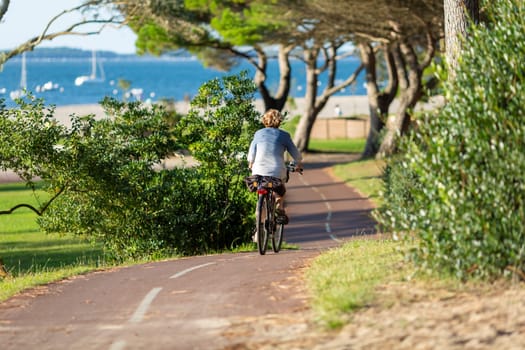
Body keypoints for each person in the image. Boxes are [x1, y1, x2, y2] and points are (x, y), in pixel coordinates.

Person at [247, 109, 303, 225]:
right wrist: (297, 164)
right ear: (279, 121)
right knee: (280, 188)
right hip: (277, 170)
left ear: (264, 121)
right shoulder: (284, 135)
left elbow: (251, 153)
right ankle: (279, 203)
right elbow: (297, 155)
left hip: (258, 172)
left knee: (260, 190)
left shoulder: (258, 133)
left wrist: (251, 163)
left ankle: (258, 232)